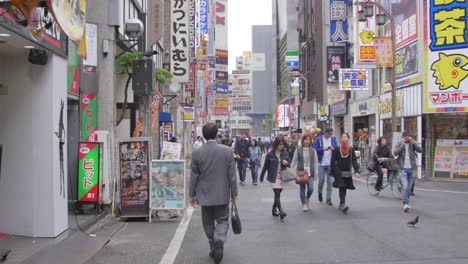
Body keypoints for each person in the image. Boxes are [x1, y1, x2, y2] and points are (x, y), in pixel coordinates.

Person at [189, 123, 238, 264]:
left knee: (207, 222)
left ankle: (213, 244)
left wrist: (192, 195)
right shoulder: (227, 151)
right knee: (222, 219)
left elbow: (194, 176)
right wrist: (234, 193)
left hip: (204, 194)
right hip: (222, 193)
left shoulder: (197, 153)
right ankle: (219, 239)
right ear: (217, 134)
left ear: (203, 135)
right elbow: (232, 176)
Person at [260, 136, 290, 221]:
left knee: (278, 194)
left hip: (282, 176)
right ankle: (281, 211)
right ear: (276, 144)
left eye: (282, 145)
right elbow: (266, 166)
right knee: (277, 192)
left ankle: (274, 209)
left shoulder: (285, 153)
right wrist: (262, 176)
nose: (281, 146)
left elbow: (290, 164)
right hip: (273, 177)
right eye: (279, 145)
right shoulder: (270, 154)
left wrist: (286, 162)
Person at [330, 133, 360, 214]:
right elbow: (332, 160)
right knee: (342, 185)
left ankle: (341, 203)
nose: (344, 138)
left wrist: (356, 170)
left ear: (348, 139)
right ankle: (343, 204)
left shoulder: (351, 149)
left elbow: (354, 160)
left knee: (344, 187)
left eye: (345, 137)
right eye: (342, 137)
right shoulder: (337, 149)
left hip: (347, 171)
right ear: (341, 139)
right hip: (338, 171)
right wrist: (332, 171)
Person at [394, 131, 423, 213]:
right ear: (403, 137)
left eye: (409, 136)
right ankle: (405, 204)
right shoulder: (400, 143)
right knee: (405, 186)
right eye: (406, 136)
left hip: (412, 168)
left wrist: (415, 143)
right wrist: (402, 145)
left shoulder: (413, 144)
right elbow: (395, 153)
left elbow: (420, 150)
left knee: (409, 189)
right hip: (402, 168)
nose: (408, 138)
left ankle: (406, 201)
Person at [291, 134, 319, 212]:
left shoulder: (313, 150)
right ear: (302, 141)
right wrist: (292, 171)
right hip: (301, 173)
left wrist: (316, 173)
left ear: (310, 141)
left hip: (310, 173)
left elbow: (316, 162)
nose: (307, 141)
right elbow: (294, 161)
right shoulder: (298, 150)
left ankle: (307, 198)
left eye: (308, 140)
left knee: (311, 188)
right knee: (302, 189)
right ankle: (304, 204)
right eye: (305, 139)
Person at [313, 127, 339, 205]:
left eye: (331, 134)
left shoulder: (333, 140)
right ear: (325, 132)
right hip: (321, 163)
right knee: (321, 181)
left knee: (330, 182)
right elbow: (314, 150)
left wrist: (333, 149)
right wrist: (323, 149)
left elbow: (337, 150)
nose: (329, 135)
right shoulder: (318, 139)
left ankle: (328, 199)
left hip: (330, 164)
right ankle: (320, 192)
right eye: (328, 133)